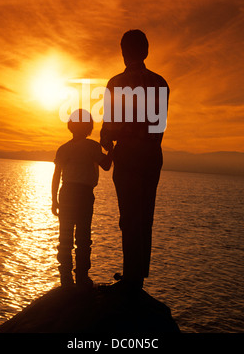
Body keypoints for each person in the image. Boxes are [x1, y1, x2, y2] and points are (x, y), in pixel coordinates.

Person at [100, 30, 170, 292]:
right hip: (152, 154)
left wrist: (107, 140)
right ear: (146, 51)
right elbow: (159, 125)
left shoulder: (116, 83)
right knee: (144, 214)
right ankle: (138, 275)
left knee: (129, 215)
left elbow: (112, 124)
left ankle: (131, 278)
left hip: (128, 153)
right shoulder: (161, 83)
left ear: (123, 51)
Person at [52, 109, 113, 288]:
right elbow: (107, 166)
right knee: (83, 237)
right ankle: (82, 277)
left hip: (66, 192)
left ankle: (65, 277)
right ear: (88, 127)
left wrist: (54, 200)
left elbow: (56, 176)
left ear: (71, 126)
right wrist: (112, 150)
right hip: (84, 194)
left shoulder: (63, 148)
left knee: (65, 237)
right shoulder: (92, 146)